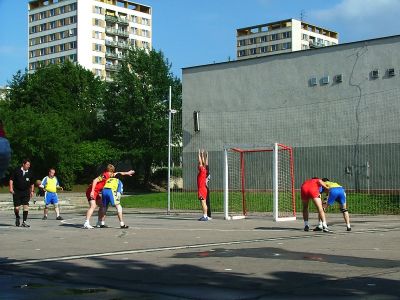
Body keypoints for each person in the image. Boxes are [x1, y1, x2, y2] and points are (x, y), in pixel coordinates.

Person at [83, 164, 134, 229]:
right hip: (91, 191)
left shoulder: (110, 175)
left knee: (102, 205)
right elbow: (95, 180)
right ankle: (86, 223)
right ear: (111, 171)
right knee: (93, 206)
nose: (113, 174)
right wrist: (92, 191)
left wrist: (127, 173)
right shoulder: (105, 175)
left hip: (96, 192)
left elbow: (119, 173)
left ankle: (99, 222)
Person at [9, 159, 34, 227]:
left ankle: (24, 222)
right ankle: (17, 217)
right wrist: (11, 188)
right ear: (23, 164)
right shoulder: (17, 171)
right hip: (17, 191)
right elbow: (11, 180)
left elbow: (32, 183)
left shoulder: (30, 172)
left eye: (29, 165)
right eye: (27, 165)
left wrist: (32, 191)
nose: (28, 166)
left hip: (26, 192)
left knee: (26, 206)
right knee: (17, 208)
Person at [197, 149, 209, 221]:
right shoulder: (205, 170)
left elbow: (201, 162)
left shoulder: (202, 170)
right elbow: (204, 162)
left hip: (202, 189)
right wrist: (203, 154)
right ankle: (205, 216)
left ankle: (205, 216)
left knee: (203, 203)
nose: (198, 165)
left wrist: (199, 154)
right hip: (204, 188)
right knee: (204, 202)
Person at [205, 151, 212, 219]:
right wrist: (207, 156)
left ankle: (208, 215)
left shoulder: (205, 174)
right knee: (206, 202)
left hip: (205, 188)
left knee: (206, 202)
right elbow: (206, 164)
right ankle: (206, 214)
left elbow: (206, 164)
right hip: (205, 188)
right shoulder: (207, 173)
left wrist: (201, 155)